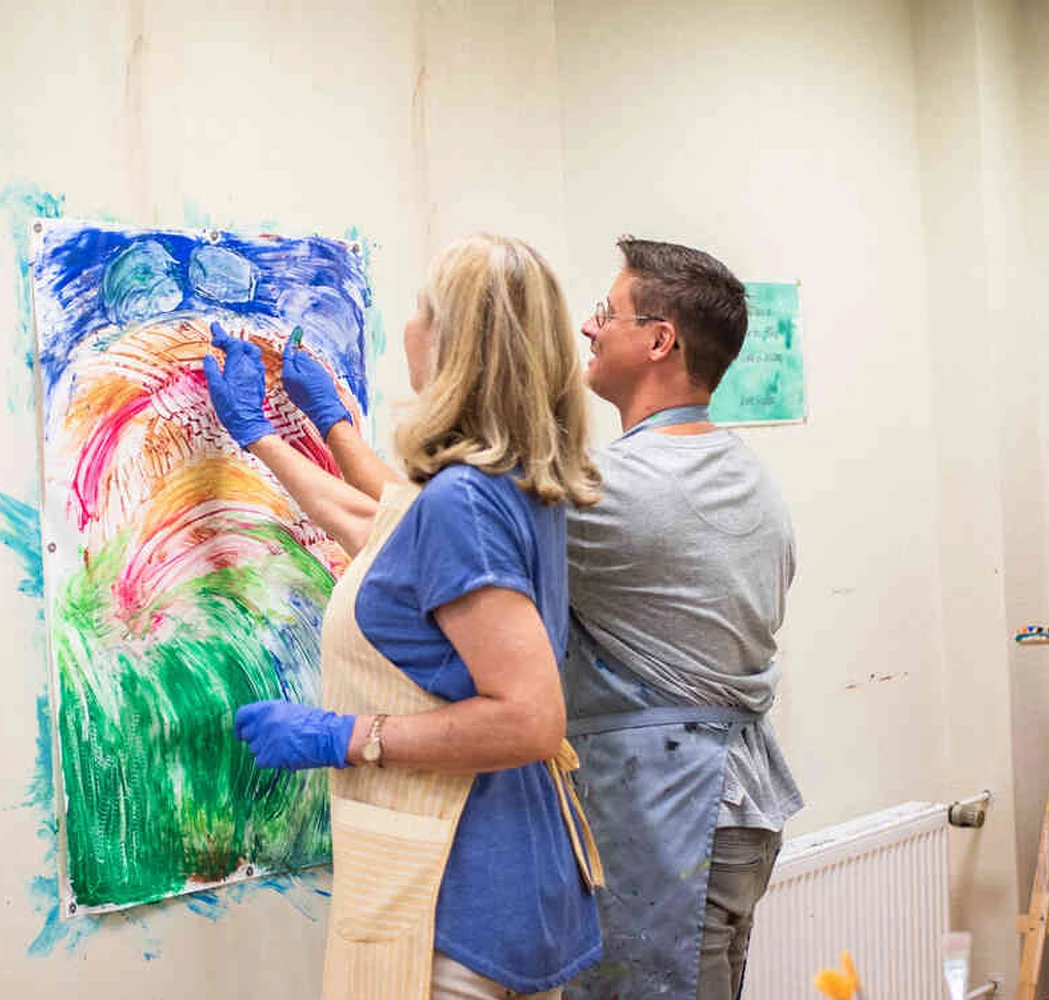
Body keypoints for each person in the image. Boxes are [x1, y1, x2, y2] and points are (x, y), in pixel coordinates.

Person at [207, 233, 605, 1000]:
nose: (408, 326)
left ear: (453, 342)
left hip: (461, 902)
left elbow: (530, 719)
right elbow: (387, 531)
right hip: (515, 882)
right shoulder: (512, 479)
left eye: (422, 309)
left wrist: (347, 736)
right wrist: (294, 435)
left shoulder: (465, 501)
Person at [562, 237, 800, 1000]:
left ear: (659, 340)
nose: (589, 328)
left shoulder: (618, 488)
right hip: (732, 808)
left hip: (671, 818)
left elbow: (422, 536)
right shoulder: (748, 475)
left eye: (607, 313)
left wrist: (297, 435)